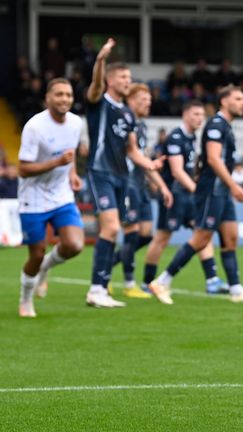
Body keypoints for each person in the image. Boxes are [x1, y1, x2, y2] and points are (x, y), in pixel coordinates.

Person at [148, 85, 243, 305]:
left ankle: (236, 289)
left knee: (230, 238)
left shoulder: (226, 126)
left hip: (221, 191)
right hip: (212, 190)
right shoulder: (216, 125)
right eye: (238, 99)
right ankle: (162, 281)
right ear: (224, 101)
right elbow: (212, 158)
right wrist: (233, 185)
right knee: (202, 238)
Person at [85, 38, 167, 308]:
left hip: (122, 176)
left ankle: (101, 287)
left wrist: (149, 165)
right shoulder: (100, 101)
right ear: (110, 79)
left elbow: (132, 150)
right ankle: (97, 289)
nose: (127, 80)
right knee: (110, 228)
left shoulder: (128, 115)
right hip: (100, 172)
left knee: (115, 232)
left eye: (129, 77)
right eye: (122, 76)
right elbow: (95, 85)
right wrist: (100, 60)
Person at [142, 100, 228, 295]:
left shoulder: (190, 139)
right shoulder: (175, 137)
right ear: (185, 114)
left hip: (188, 195)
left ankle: (212, 280)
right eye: (196, 114)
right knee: (162, 238)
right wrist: (199, 192)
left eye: (202, 115)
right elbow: (177, 171)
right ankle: (147, 283)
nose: (200, 119)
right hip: (174, 196)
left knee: (202, 233)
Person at [17, 78, 85, 317]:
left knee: (75, 245)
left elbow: (71, 152)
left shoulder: (76, 123)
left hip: (61, 194)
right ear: (47, 98)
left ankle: (46, 268)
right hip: (32, 197)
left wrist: (73, 173)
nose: (64, 99)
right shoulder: (35, 127)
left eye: (68, 94)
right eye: (59, 94)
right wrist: (57, 163)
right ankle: (25, 300)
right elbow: (23, 169)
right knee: (35, 253)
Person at [111, 83, 172, 298]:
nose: (147, 104)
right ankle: (129, 284)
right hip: (126, 182)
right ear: (131, 100)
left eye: (149, 100)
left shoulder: (143, 127)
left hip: (141, 185)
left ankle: (107, 265)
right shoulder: (123, 124)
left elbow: (144, 159)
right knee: (132, 232)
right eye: (143, 100)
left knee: (146, 235)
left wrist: (161, 185)